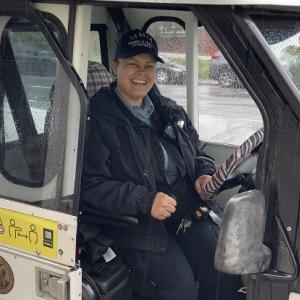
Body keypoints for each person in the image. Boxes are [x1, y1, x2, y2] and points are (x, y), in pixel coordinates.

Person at [82, 29, 243, 300]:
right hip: (137, 225)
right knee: (181, 290)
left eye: (149, 66)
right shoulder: (96, 118)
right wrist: (146, 201)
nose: (141, 73)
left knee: (223, 271)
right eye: (133, 64)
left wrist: (203, 172)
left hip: (186, 211)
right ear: (115, 66)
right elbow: (90, 186)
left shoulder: (167, 109)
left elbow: (197, 150)